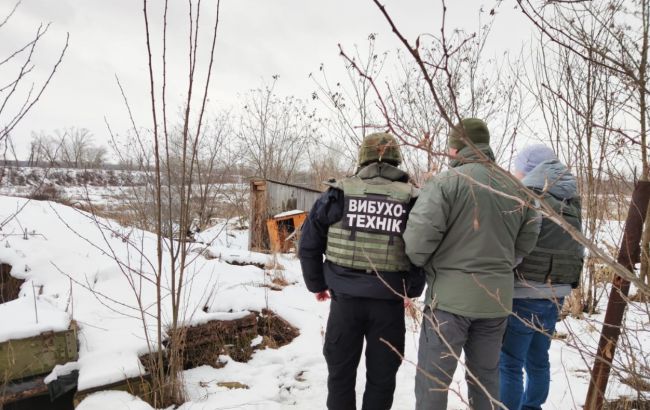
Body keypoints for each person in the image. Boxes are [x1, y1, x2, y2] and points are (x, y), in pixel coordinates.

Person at [403, 118, 540, 410]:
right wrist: (502, 264)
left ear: (455, 148)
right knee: (486, 381)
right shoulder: (516, 189)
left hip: (448, 304)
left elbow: (416, 243)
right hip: (495, 303)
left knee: (433, 382)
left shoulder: (445, 184)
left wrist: (431, 264)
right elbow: (526, 241)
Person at [299, 132, 425, 410]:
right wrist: (410, 290)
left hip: (345, 304)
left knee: (340, 375)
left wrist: (317, 285)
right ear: (396, 159)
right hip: (389, 306)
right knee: (382, 378)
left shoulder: (338, 194)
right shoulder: (413, 199)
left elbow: (308, 244)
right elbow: (422, 250)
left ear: (362, 158)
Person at [499, 144, 584, 410]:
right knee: (538, 359)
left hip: (524, 291)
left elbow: (516, 246)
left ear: (528, 169)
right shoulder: (570, 200)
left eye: (518, 168)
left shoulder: (528, 197)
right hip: (556, 292)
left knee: (510, 362)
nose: (515, 174)